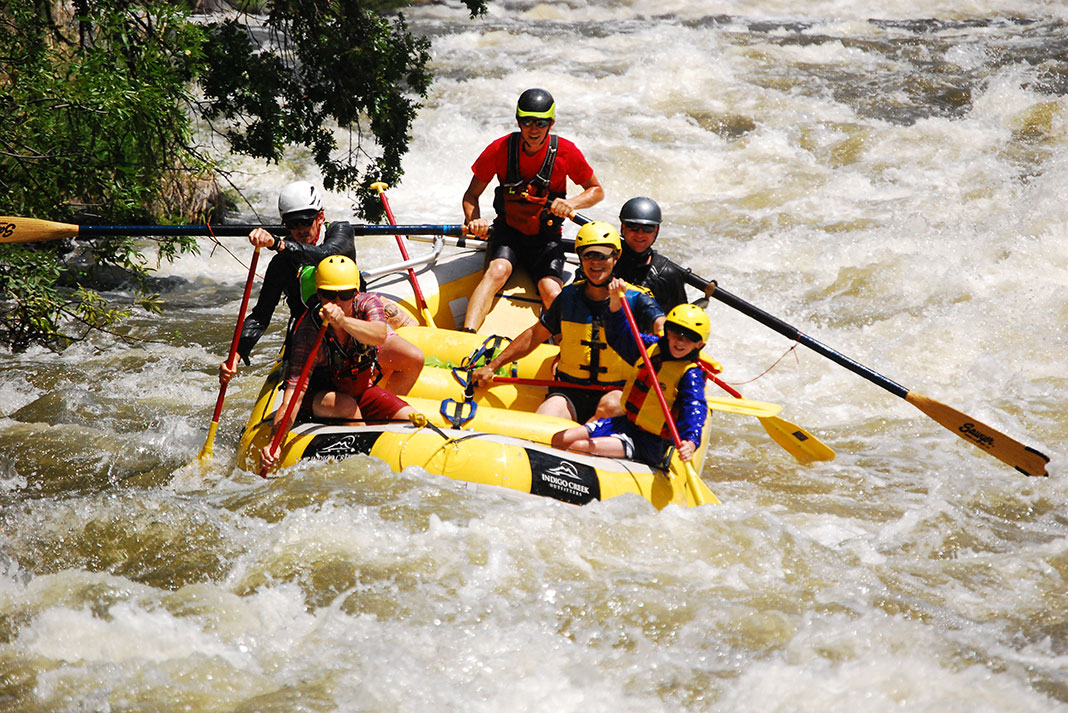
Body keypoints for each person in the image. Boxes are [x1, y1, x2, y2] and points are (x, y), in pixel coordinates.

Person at [219, 180, 422, 394]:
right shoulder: (281, 263)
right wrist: (236, 356)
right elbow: (261, 315)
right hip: (313, 335)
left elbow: (327, 254)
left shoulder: (340, 232)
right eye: (292, 223)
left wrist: (278, 244)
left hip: (356, 327)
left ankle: (384, 402)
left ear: (320, 217)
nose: (300, 229)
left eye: (306, 221)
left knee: (413, 356)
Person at [469, 221, 662, 423]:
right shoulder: (569, 297)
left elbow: (660, 323)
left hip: (616, 392)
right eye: (589, 254)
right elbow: (535, 335)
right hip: (570, 391)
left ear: (616, 257)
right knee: (545, 416)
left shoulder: (636, 298)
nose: (596, 262)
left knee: (607, 410)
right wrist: (492, 366)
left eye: (604, 254)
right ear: (581, 258)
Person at [461, 88, 605, 332]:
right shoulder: (499, 149)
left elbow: (596, 191)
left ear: (551, 123)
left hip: (546, 239)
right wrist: (474, 220)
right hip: (509, 234)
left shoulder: (566, 152)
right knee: (497, 271)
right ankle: (466, 334)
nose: (534, 128)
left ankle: (565, 346)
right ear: (518, 121)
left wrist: (571, 204)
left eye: (541, 122)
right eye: (527, 121)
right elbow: (471, 195)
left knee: (550, 289)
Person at [260, 255, 416, 472]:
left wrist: (342, 321)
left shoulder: (367, 304)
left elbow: (380, 336)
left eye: (344, 295)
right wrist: (273, 442)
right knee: (347, 407)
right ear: (318, 295)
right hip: (319, 398)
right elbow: (293, 397)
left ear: (355, 293)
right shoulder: (308, 332)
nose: (336, 302)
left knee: (408, 419)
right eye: (328, 295)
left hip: (359, 389)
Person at [550, 284, 709, 467]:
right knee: (561, 438)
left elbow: (695, 408)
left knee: (577, 446)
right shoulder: (650, 348)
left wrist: (690, 441)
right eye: (676, 333)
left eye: (689, 337)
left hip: (649, 444)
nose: (680, 341)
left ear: (699, 345)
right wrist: (615, 304)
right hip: (624, 424)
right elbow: (620, 335)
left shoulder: (691, 375)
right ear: (667, 332)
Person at [576, 197, 688, 322]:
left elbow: (681, 320)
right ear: (623, 228)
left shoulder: (668, 274)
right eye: (633, 227)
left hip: (646, 338)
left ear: (656, 231)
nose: (640, 234)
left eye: (647, 229)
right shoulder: (601, 263)